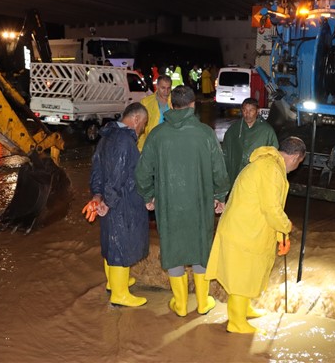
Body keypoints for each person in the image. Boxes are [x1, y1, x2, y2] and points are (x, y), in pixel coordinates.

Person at [135, 85, 230, 317]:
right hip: (200, 203)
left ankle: (179, 305)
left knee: (174, 250)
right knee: (200, 248)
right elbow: (220, 171)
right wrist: (219, 196)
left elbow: (142, 172)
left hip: (168, 205)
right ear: (193, 104)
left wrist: (148, 195)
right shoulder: (206, 133)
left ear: (171, 104)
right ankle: (202, 302)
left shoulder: (157, 135)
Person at [205, 137, 306, 334]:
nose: (296, 167)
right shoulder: (270, 170)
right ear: (295, 157)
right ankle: (236, 321)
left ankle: (244, 309)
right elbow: (271, 208)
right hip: (243, 231)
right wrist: (286, 227)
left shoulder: (269, 166)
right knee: (242, 277)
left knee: (250, 273)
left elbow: (268, 206)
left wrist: (279, 236)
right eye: (299, 162)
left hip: (248, 228)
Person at [82, 102, 150, 307]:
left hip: (108, 200)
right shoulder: (125, 141)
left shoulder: (106, 136)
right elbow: (118, 176)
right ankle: (120, 294)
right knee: (122, 243)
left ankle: (114, 282)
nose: (143, 129)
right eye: (144, 124)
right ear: (136, 119)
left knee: (111, 241)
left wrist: (97, 196)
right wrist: (109, 202)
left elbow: (97, 170)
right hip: (121, 203)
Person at [222, 97, 279, 189]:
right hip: (236, 175)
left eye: (251, 110)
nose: (247, 114)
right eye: (244, 110)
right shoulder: (234, 129)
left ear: (257, 111)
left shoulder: (267, 131)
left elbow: (274, 154)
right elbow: (225, 152)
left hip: (256, 177)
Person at [137, 75, 172, 152]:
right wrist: (141, 148)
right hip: (152, 145)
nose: (166, 91)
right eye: (163, 88)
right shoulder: (146, 102)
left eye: (168, 88)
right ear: (157, 86)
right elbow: (140, 128)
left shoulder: (175, 101)